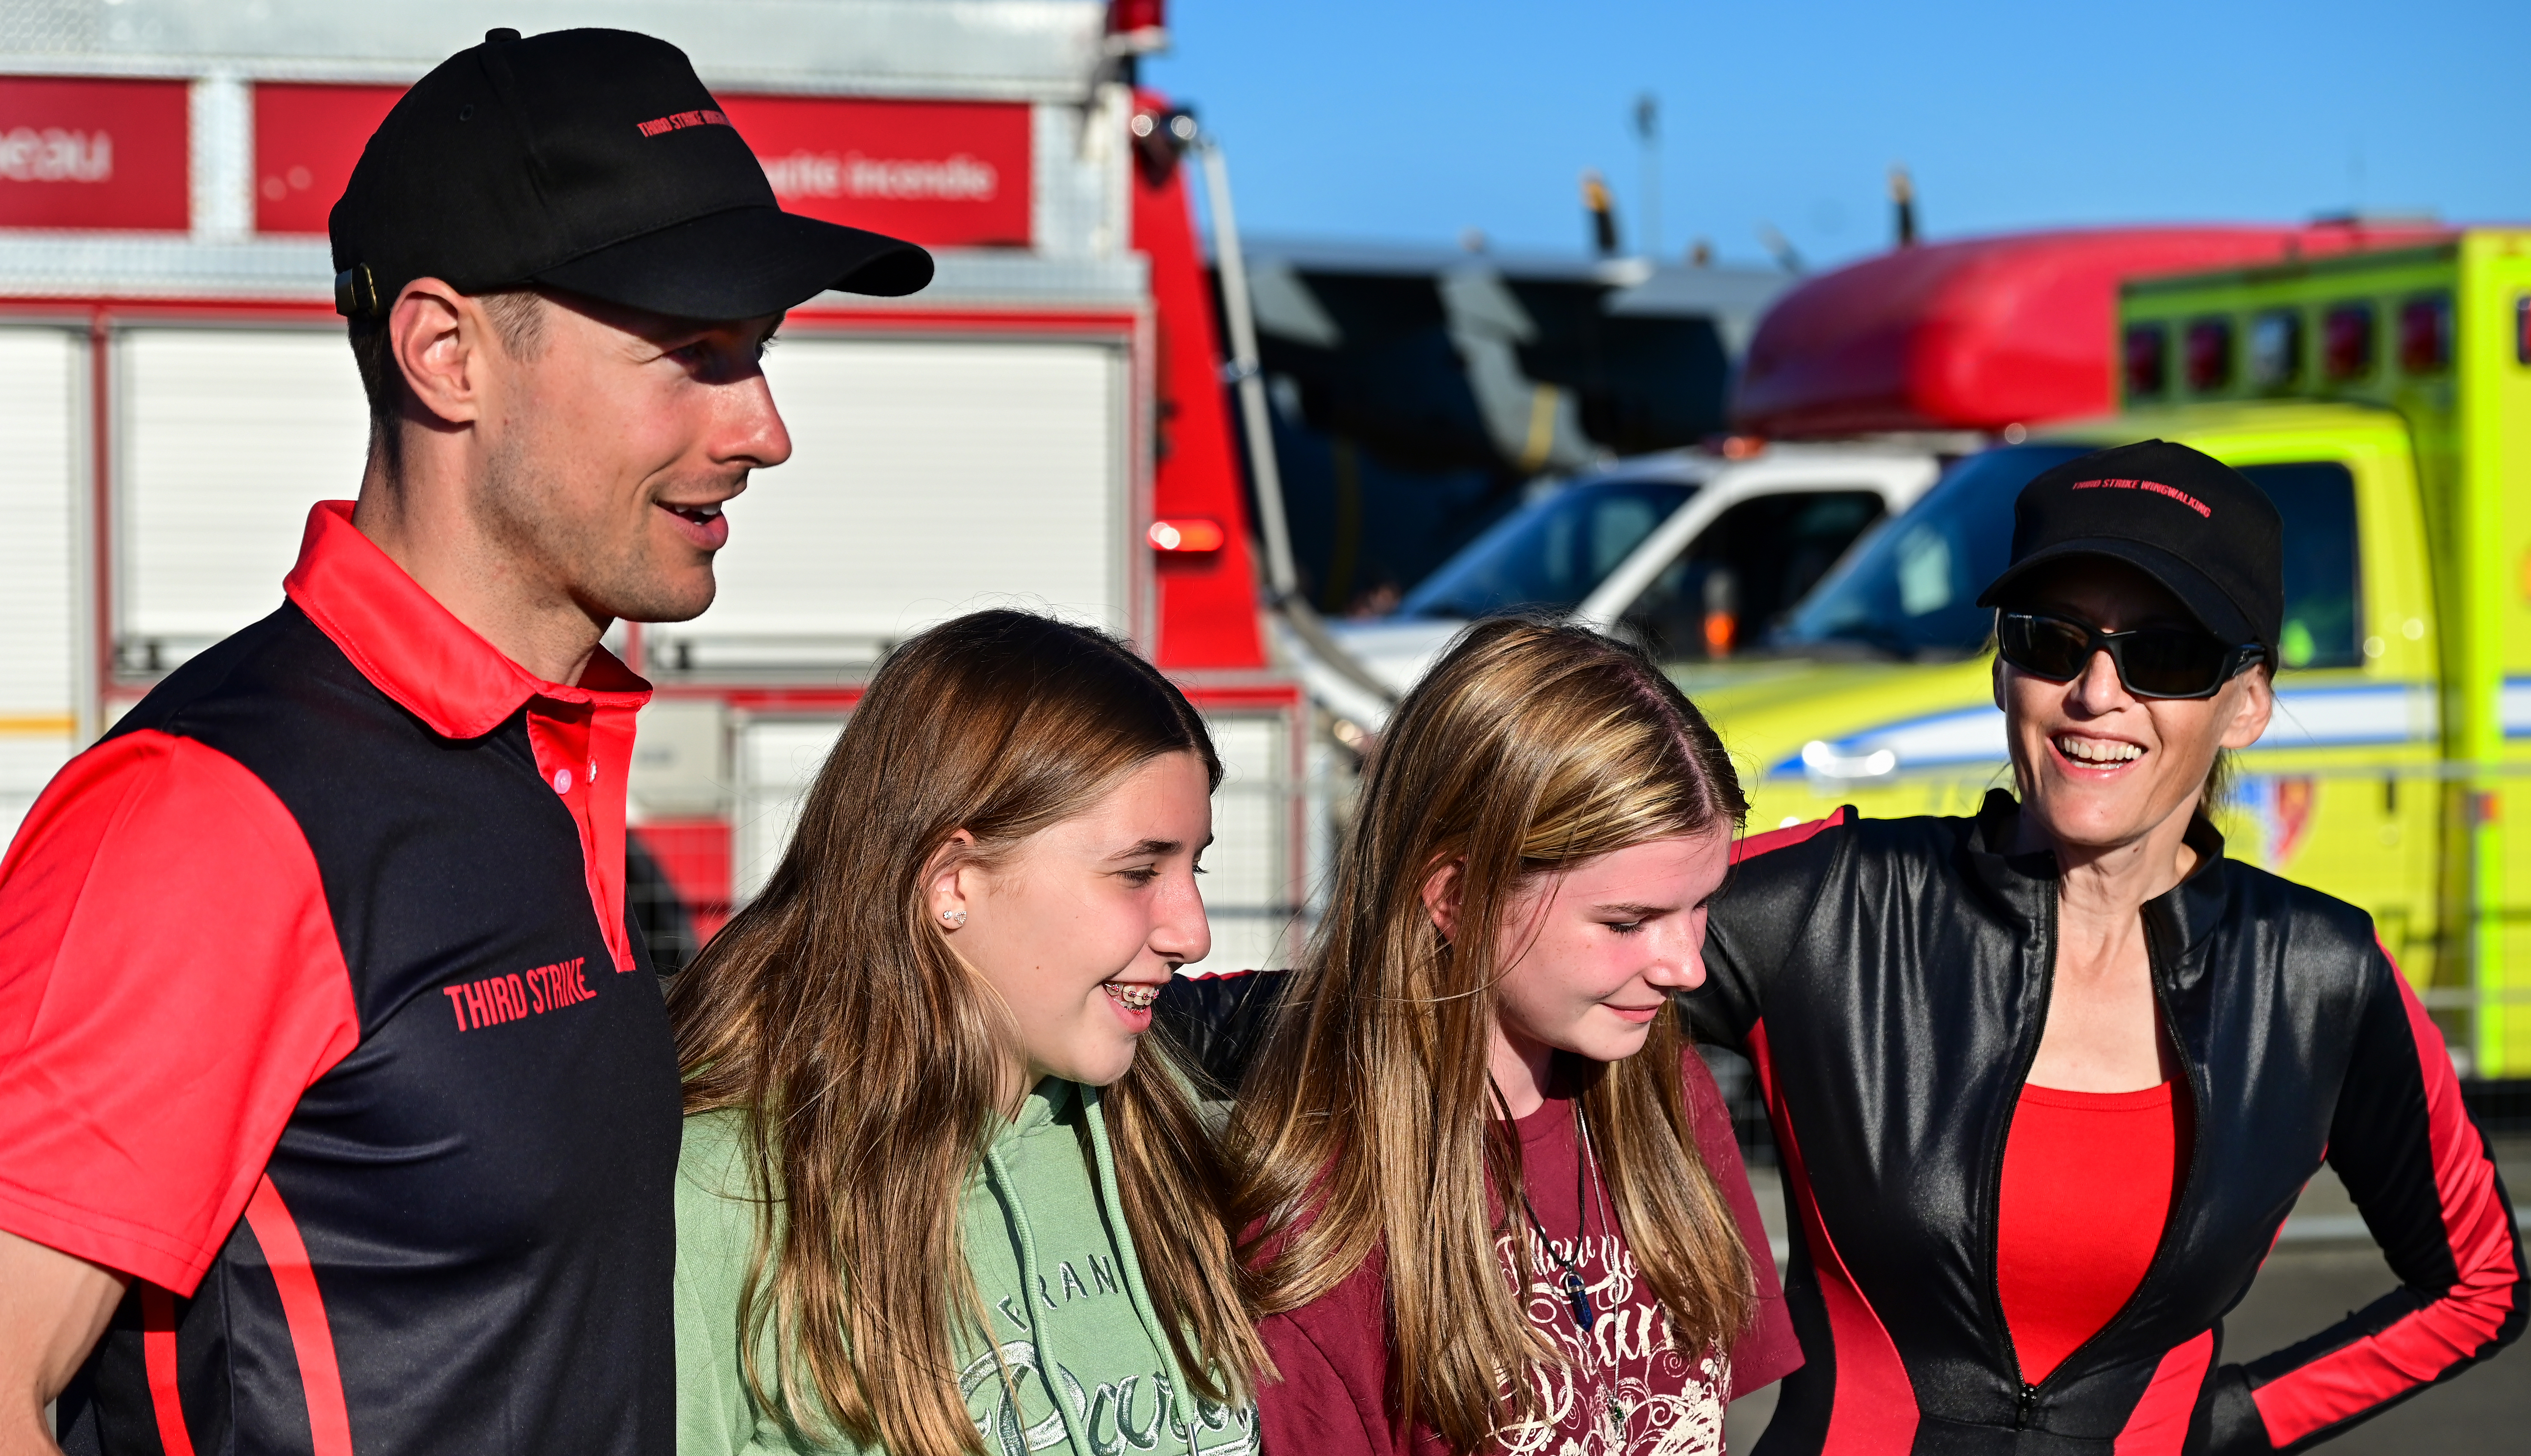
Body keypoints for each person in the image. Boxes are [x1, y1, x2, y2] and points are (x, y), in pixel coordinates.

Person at [0, 27, 931, 1456]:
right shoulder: (215, 815)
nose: (764, 428)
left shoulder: (541, 754)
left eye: (760, 355)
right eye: (691, 352)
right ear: (445, 352)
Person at [1689, 440, 2527, 1453]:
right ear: (2005, 670)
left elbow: (2480, 1284)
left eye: (2165, 656)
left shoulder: (2318, 975)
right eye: (2053, 640)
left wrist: (2232, 1421)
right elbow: (1514, 951)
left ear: (2247, 702)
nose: (2096, 693)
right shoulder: (1831, 901)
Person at [667, 610, 1267, 1456]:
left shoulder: (1178, 1143)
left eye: (1191, 870)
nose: (1191, 932)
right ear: (952, 883)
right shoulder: (720, 1201)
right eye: (1139, 872)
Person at [1224, 618, 1800, 1455]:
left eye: (1699, 906)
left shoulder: (1666, 1102)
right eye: (1628, 920)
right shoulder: (1327, 1223)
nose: (1687, 968)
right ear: (1454, 899)